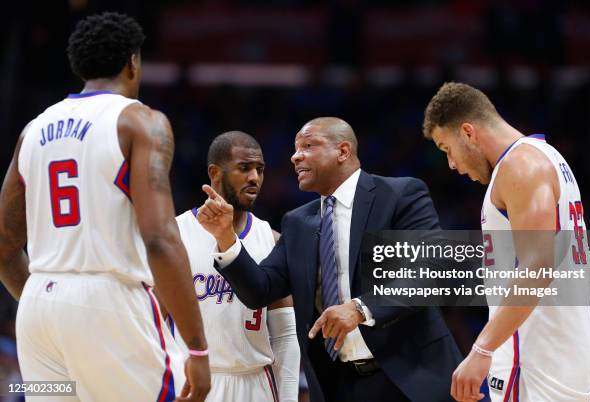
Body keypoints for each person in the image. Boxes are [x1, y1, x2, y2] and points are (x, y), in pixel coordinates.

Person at [0, 12, 210, 401]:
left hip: (37, 312)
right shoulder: (140, 121)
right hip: (107, 304)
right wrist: (197, 349)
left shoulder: (33, 129)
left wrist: (55, 299)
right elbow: (160, 239)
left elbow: (5, 246)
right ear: (134, 62)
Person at [196, 117, 462, 402]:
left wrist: (360, 309)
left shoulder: (399, 195)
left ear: (343, 151)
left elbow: (433, 271)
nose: (295, 156)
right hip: (341, 386)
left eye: (308, 146)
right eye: (295, 149)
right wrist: (225, 238)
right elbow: (259, 289)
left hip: (411, 379)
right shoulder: (298, 222)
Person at [423, 82, 590, 402]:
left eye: (446, 148)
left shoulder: (520, 166)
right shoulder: (547, 156)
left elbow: (537, 267)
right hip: (558, 351)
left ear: (468, 132)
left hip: (533, 359)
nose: (451, 165)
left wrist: (482, 348)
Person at [170, 131, 300, 402]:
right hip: (193, 380)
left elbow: (285, 335)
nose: (254, 177)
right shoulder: (176, 234)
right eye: (244, 168)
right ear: (215, 173)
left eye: (260, 169)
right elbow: (154, 324)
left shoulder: (272, 239)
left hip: (256, 382)